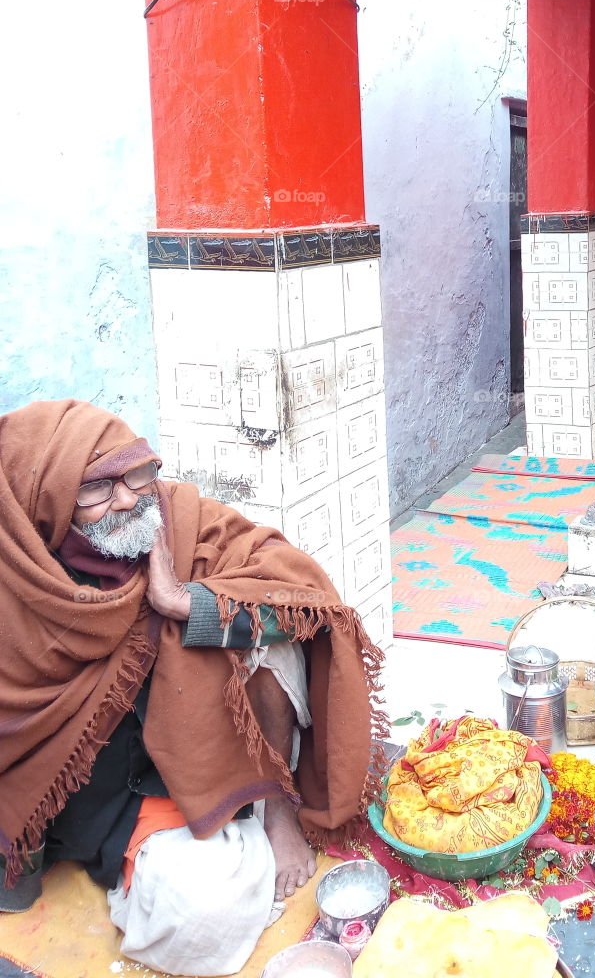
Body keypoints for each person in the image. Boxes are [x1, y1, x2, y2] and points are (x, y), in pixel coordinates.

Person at [0, 399, 387, 975]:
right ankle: (176, 853)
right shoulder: (18, 581)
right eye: (97, 490)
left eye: (135, 473)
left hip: (201, 740)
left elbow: (303, 593)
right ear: (45, 501)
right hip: (100, 792)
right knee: (202, 920)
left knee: (260, 624)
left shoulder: (177, 518)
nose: (130, 499)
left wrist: (181, 601)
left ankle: (274, 806)